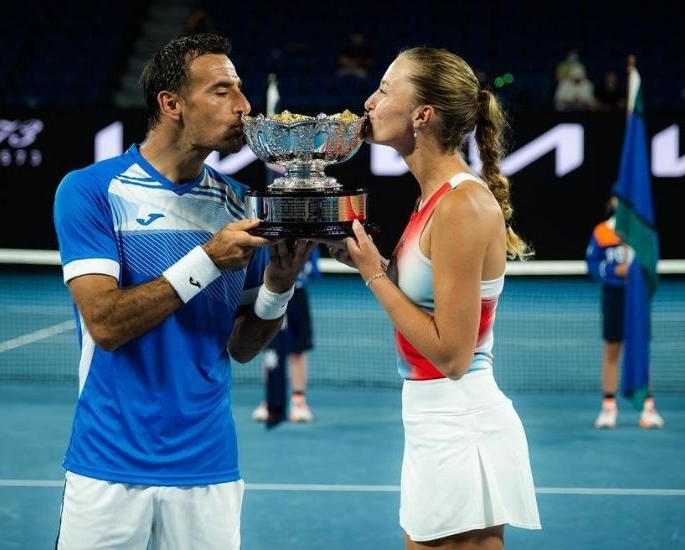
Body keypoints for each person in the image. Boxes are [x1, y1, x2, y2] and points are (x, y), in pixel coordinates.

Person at [52, 33, 315, 549]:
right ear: (171, 104)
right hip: (108, 462)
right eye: (222, 91)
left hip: (208, 464)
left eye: (240, 90)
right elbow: (106, 325)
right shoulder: (90, 190)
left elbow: (242, 347)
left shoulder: (241, 203)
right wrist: (207, 260)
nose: (244, 107)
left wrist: (278, 289)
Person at [326, 46, 541, 548]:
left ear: (423, 115)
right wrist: (370, 261)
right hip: (436, 418)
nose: (369, 102)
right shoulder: (434, 198)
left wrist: (373, 276)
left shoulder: (461, 205)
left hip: (459, 421)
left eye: (383, 89)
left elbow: (452, 355)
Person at [585, 197, 664, 429]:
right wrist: (614, 270)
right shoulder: (602, 232)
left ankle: (647, 408)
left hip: (637, 298)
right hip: (614, 297)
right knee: (612, 349)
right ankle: (609, 408)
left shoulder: (643, 231)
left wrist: (639, 273)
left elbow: (652, 261)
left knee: (641, 350)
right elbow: (591, 265)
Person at [251, 247, 321, 425]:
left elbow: (312, 269)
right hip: (270, 294)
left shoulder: (306, 235)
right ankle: (270, 400)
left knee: (298, 349)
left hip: (296, 295)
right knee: (270, 350)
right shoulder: (268, 234)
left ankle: (299, 401)